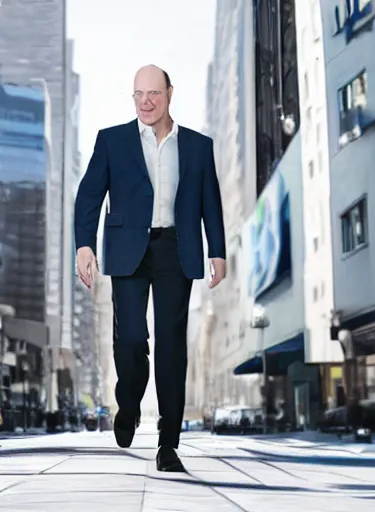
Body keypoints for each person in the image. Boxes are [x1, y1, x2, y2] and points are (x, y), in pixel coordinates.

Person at [74, 65, 226, 472]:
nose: (145, 101)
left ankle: (168, 444)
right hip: (127, 250)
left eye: (153, 93)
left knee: (172, 345)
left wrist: (218, 251)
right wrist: (84, 245)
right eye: (139, 93)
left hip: (177, 248)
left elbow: (210, 200)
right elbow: (88, 196)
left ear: (170, 94)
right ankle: (128, 404)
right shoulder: (112, 141)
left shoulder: (197, 145)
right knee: (131, 339)